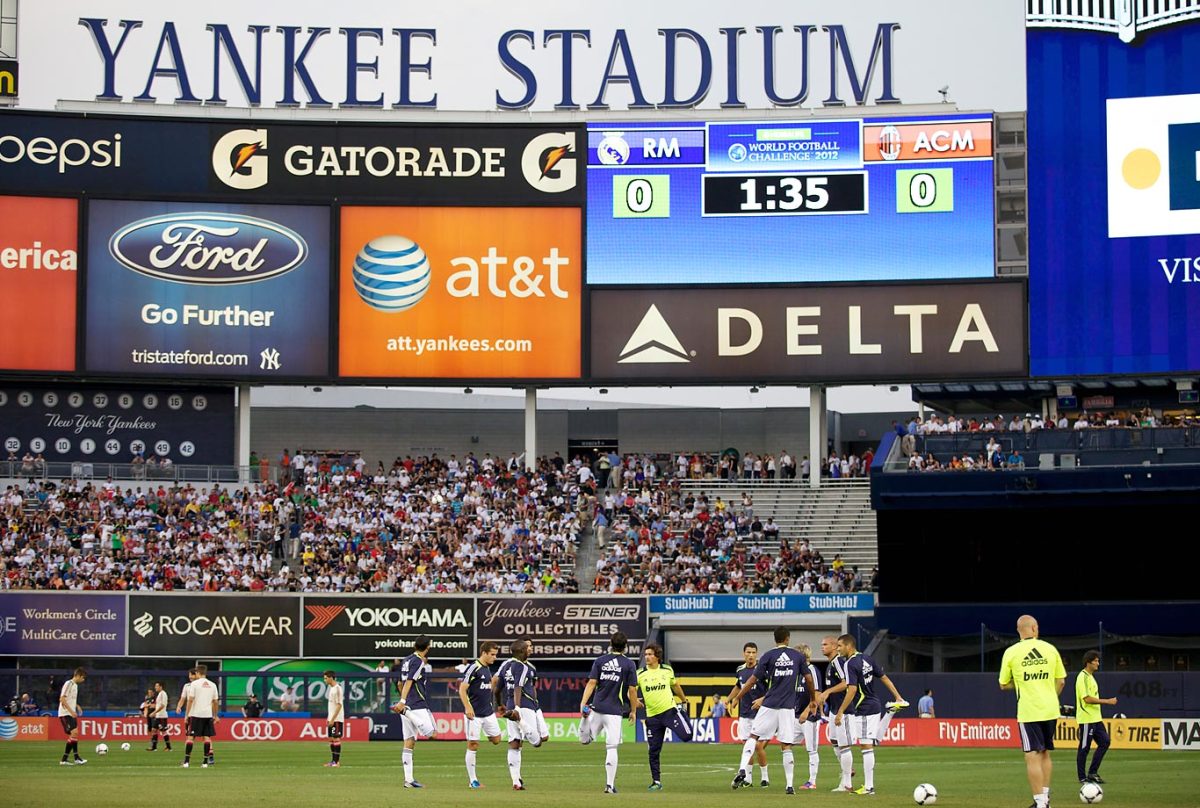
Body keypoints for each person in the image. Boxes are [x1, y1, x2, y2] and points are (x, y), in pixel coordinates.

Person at [729, 627, 815, 795]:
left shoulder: (768, 656)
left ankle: (742, 769)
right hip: (788, 707)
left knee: (753, 736)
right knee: (786, 745)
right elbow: (809, 679)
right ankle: (789, 785)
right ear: (788, 639)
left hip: (769, 705)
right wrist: (812, 700)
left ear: (775, 639)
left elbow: (753, 679)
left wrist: (738, 696)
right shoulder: (797, 656)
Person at [999, 615, 1066, 808]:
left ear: (1019, 630)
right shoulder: (1050, 649)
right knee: (1044, 752)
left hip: (1029, 711)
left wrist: (1020, 683)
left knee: (1031, 755)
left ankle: (1040, 803)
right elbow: (1061, 680)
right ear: (1035, 628)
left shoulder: (1011, 652)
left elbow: (1003, 684)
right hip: (1051, 710)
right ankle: (1045, 799)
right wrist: (1051, 697)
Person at [829, 633, 907, 796]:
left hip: (863, 708)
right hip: (874, 705)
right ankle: (889, 713)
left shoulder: (850, 663)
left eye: (840, 646)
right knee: (871, 742)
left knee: (866, 746)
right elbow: (884, 678)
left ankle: (869, 787)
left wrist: (841, 711)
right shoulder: (867, 659)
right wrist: (898, 696)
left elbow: (852, 689)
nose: (838, 649)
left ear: (849, 646)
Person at [579, 630, 642, 794]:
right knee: (612, 747)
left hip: (597, 707)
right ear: (625, 646)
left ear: (610, 644)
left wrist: (583, 702)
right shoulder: (629, 664)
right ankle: (609, 785)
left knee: (584, 740)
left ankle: (585, 718)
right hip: (614, 711)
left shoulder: (600, 660)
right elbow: (632, 690)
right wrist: (633, 711)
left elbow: (592, 683)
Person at [494, 639, 549, 790]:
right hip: (523, 707)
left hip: (511, 706)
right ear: (521, 652)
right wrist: (518, 709)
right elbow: (518, 686)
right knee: (537, 742)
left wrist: (500, 705)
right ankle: (521, 722)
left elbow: (497, 689)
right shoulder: (523, 667)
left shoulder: (506, 666)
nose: (529, 650)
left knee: (514, 743)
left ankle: (516, 781)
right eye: (527, 648)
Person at [637, 643, 692, 791]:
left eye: (650, 654)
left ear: (657, 656)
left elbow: (675, 686)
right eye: (646, 654)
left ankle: (681, 712)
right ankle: (656, 781)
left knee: (687, 736)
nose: (647, 657)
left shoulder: (667, 670)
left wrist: (684, 700)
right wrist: (634, 701)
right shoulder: (640, 674)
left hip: (669, 712)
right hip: (652, 718)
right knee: (653, 751)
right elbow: (630, 690)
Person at [394, 635, 438, 788]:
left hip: (407, 703)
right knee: (432, 733)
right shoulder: (419, 661)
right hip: (416, 704)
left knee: (409, 741)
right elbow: (410, 681)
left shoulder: (406, 660)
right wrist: (403, 702)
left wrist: (402, 699)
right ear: (428, 647)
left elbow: (400, 682)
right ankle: (406, 712)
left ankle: (409, 780)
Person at [459, 641, 502, 788]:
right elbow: (462, 689)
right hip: (474, 715)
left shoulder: (487, 669)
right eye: (492, 654)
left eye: (496, 655)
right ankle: (473, 781)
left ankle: (481, 732)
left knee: (496, 740)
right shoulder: (474, 668)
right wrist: (467, 707)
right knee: (473, 744)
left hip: (488, 713)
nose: (494, 657)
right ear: (484, 653)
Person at [725, 642, 769, 787]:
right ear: (744, 653)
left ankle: (765, 778)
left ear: (757, 654)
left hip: (760, 714)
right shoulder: (740, 670)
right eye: (748, 652)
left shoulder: (762, 669)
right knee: (746, 746)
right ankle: (748, 778)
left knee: (758, 747)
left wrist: (763, 701)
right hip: (744, 714)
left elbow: (771, 688)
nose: (751, 655)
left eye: (753, 652)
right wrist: (730, 699)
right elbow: (738, 686)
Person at [1076, 650, 1117, 785]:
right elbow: (1087, 699)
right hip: (1087, 718)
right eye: (1096, 661)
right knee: (1084, 747)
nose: (1098, 663)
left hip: (1096, 718)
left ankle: (1093, 772)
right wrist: (1107, 701)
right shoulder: (1082, 677)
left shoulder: (1091, 677)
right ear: (1088, 662)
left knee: (1105, 742)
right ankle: (1082, 777)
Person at [793, 644, 823, 790]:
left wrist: (806, 711)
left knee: (812, 749)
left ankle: (812, 781)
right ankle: (789, 779)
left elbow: (816, 694)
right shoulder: (797, 673)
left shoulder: (812, 670)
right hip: (795, 716)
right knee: (786, 744)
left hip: (809, 717)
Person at [182, 665, 220, 768]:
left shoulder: (194, 684)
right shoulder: (212, 685)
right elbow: (215, 701)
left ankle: (186, 762)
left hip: (196, 714)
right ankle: (205, 762)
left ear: (198, 673)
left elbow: (190, 700)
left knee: (190, 738)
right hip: (207, 715)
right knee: (207, 738)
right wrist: (215, 715)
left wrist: (186, 715)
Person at [58, 667, 87, 765]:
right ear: (78, 675)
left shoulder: (75, 686)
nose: (83, 680)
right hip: (65, 713)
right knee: (74, 733)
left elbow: (70, 699)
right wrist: (71, 711)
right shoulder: (68, 684)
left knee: (75, 734)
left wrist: (77, 706)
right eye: (83, 678)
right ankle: (64, 759)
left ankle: (76, 758)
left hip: (71, 713)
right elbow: (62, 699)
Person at [323, 671, 344, 768]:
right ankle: (333, 761)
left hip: (337, 719)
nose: (325, 680)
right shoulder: (331, 689)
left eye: (326, 678)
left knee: (336, 738)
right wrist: (329, 718)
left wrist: (333, 719)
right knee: (331, 739)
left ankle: (337, 762)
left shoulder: (338, 688)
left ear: (331, 678)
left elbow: (339, 705)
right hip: (331, 718)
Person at [148, 682, 172, 751]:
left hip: (162, 716)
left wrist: (154, 712)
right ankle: (154, 747)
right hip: (158, 716)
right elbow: (158, 705)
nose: (155, 687)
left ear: (161, 687)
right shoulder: (159, 694)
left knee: (163, 731)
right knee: (154, 730)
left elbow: (163, 705)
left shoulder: (163, 694)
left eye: (157, 686)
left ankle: (169, 747)